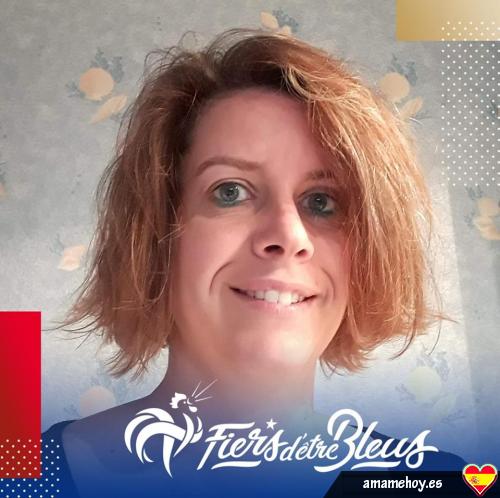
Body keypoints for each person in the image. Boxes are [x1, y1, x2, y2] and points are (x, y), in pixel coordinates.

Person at [42, 28, 462, 497]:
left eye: (322, 202)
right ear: (158, 232)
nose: (288, 236)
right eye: (230, 192)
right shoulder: (21, 475)